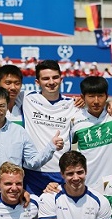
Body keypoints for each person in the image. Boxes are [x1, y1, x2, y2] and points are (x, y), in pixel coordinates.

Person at [20, 61, 77, 195]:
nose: (51, 82)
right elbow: (0, 96)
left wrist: (111, 105)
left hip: (61, 172)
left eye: (55, 77)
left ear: (61, 79)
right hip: (32, 172)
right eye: (45, 78)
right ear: (37, 82)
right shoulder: (26, 98)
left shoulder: (73, 104)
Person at [70, 76, 112, 190]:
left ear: (107, 96)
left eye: (101, 96)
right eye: (91, 96)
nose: (96, 101)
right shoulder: (74, 119)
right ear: (82, 97)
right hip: (87, 185)